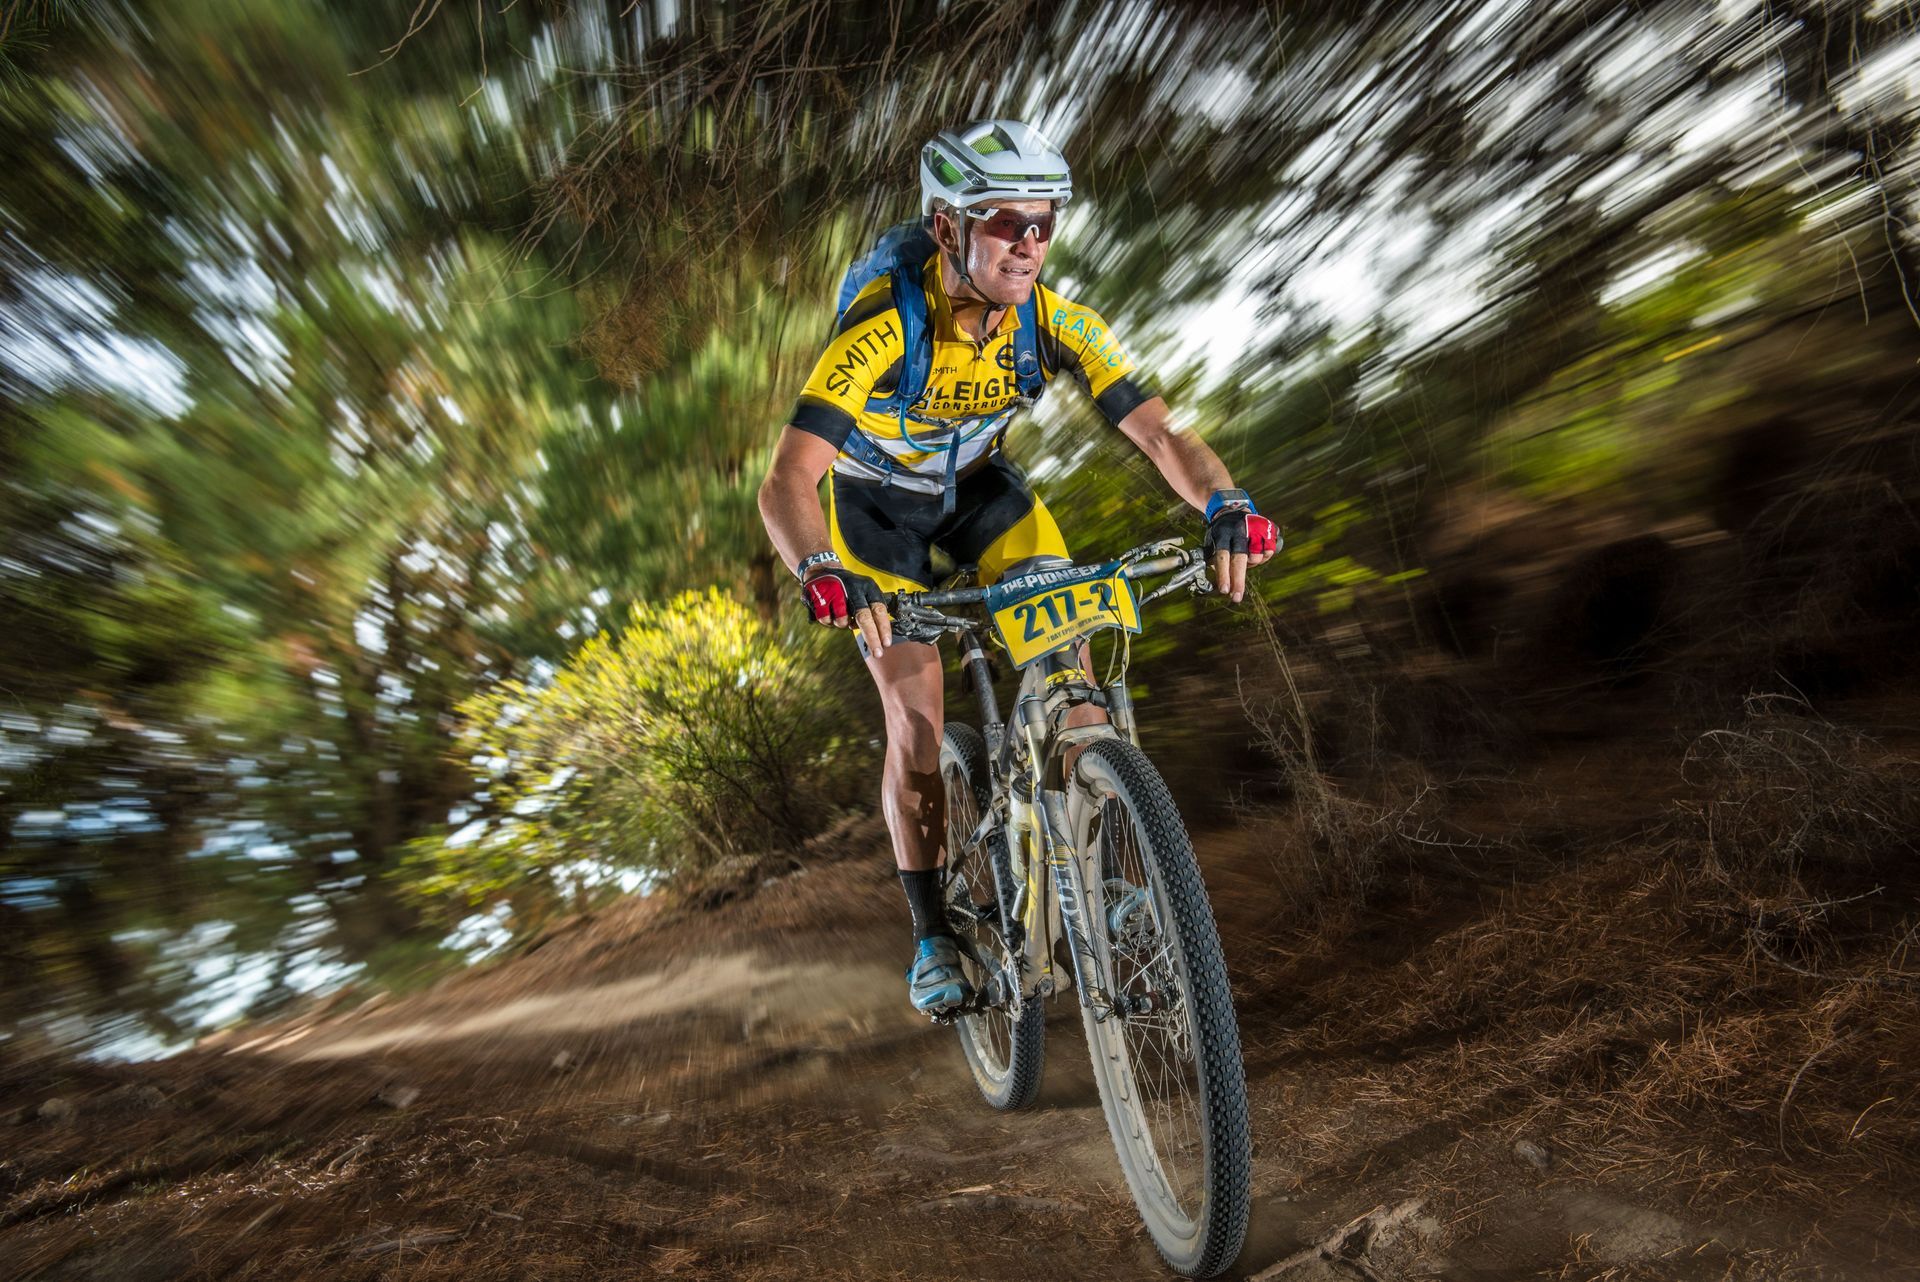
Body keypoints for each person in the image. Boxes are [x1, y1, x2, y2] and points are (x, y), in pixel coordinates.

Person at [757, 119, 1278, 1015]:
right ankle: (932, 935)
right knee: (917, 722)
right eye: (1005, 221)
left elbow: (1162, 433)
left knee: (1078, 678)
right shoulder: (885, 325)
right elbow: (788, 479)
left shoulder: (1058, 324)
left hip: (982, 492)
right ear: (949, 225)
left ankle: (1110, 883)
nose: (1029, 242)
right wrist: (819, 568)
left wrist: (1227, 503)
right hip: (875, 514)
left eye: (1042, 222)